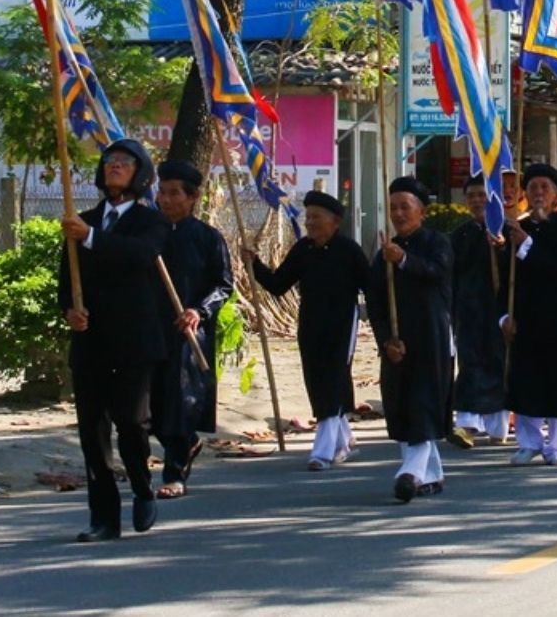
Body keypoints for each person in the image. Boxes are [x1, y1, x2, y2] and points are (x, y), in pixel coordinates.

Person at [58, 138, 171, 542]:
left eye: (124, 161)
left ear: (140, 173)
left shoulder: (151, 221)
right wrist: (70, 311)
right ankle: (103, 516)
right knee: (92, 431)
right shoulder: (82, 221)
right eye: (109, 161)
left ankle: (142, 486)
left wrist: (90, 236)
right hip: (90, 343)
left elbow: (139, 255)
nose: (115, 166)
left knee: (131, 422)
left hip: (135, 342)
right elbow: (65, 280)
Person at [252, 190, 369, 472]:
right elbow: (278, 284)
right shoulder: (303, 249)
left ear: (335, 221)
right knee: (316, 379)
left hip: (342, 322)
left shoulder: (349, 250)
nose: (310, 223)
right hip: (310, 322)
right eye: (308, 217)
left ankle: (322, 452)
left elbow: (371, 288)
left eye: (317, 217)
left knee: (334, 378)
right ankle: (343, 440)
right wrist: (254, 264)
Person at [151, 160, 234, 499]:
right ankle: (187, 443)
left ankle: (174, 473)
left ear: (193, 197)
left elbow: (223, 285)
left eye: (175, 194)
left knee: (180, 402)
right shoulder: (149, 233)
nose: (167, 200)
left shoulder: (208, 238)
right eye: (162, 192)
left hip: (188, 332)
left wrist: (198, 311)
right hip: (151, 327)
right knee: (150, 406)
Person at [369, 177, 454, 503]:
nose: (398, 214)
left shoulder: (437, 242)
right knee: (402, 408)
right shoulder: (383, 255)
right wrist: (386, 341)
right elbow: (376, 304)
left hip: (431, 339)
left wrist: (404, 260)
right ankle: (430, 475)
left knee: (423, 406)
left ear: (422, 212)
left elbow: (437, 272)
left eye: (405, 207)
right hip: (398, 344)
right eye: (393, 208)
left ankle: (410, 474)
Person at [503, 163, 557, 467]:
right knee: (526, 379)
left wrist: (526, 244)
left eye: (544, 188)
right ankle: (529, 442)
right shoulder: (515, 228)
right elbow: (505, 278)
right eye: (533, 187)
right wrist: (504, 315)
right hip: (525, 316)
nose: (538, 193)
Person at [448, 176, 508, 449]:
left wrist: (502, 248)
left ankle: (497, 425)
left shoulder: (506, 230)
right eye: (471, 195)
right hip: (468, 309)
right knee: (470, 363)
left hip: (499, 310)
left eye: (482, 195)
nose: (476, 201)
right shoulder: (459, 235)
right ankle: (467, 423)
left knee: (498, 364)